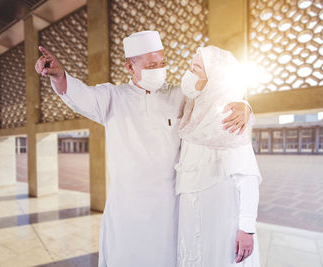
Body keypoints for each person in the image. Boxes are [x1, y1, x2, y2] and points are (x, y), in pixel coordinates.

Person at [34, 31, 253, 267]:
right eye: (151, 65)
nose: (159, 69)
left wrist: (245, 106)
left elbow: (215, 101)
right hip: (128, 210)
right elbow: (80, 95)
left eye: (162, 63)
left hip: (171, 210)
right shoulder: (113, 97)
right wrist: (58, 75)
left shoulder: (180, 95)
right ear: (130, 67)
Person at [176, 46, 262, 267]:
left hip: (222, 218)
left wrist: (247, 228)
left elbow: (248, 178)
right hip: (190, 215)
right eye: (190, 67)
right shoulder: (191, 115)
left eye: (197, 68)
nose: (190, 74)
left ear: (216, 77)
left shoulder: (230, 117)